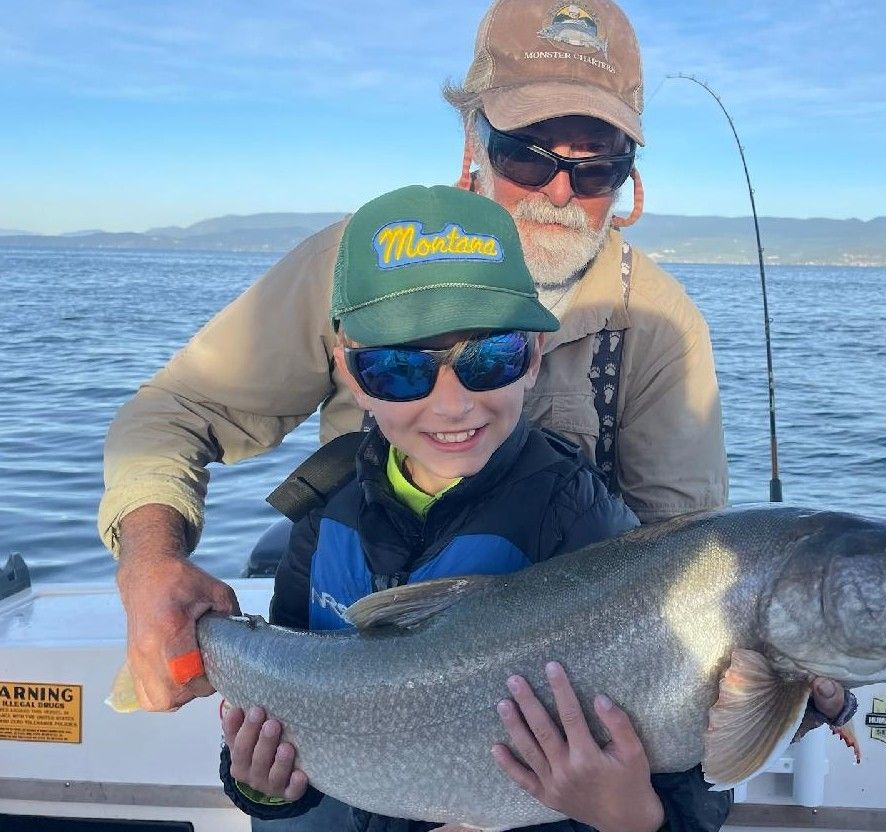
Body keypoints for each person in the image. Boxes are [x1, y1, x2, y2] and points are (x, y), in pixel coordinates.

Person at [105, 0, 731, 715]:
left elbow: (691, 567)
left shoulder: (658, 322)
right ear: (474, 136)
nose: (559, 191)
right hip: (354, 659)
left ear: (630, 176)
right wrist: (151, 565)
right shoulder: (360, 263)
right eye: (527, 152)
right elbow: (174, 411)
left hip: (530, 710)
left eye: (597, 168)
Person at [217, 183, 724, 832]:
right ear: (351, 374)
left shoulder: (585, 527)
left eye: (490, 358)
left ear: (534, 356)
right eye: (399, 368)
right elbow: (286, 698)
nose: (453, 405)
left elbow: (700, 785)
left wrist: (631, 818)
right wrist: (262, 786)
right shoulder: (324, 507)